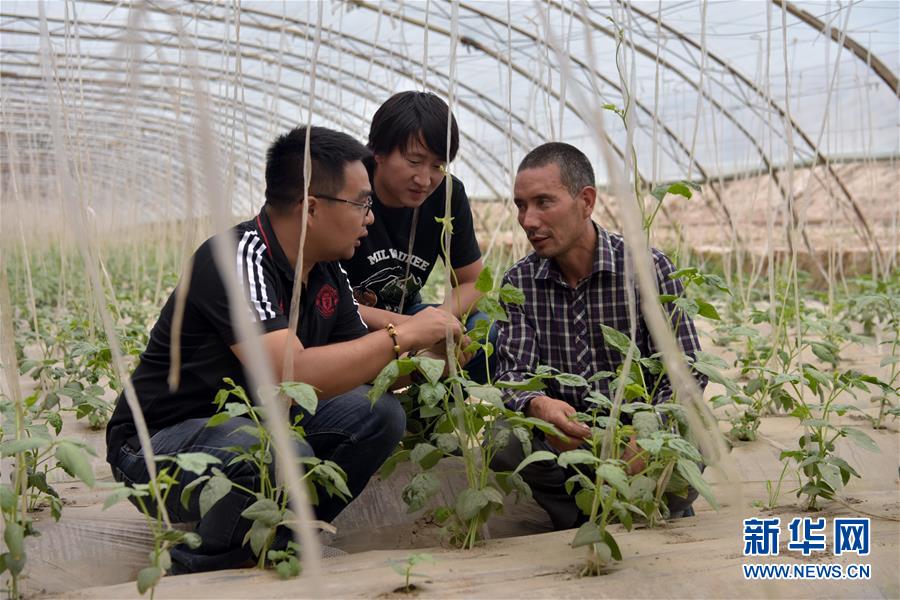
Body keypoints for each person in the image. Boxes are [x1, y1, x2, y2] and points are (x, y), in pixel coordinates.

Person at [106, 126, 462, 573]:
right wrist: (402, 335)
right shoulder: (237, 258)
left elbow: (361, 367)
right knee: (274, 451)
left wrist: (433, 363)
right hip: (154, 447)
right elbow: (291, 373)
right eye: (362, 203)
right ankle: (205, 567)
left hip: (250, 426)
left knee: (380, 414)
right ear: (311, 206)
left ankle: (289, 539)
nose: (370, 218)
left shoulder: (327, 270)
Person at [491, 142, 708, 530]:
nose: (528, 219)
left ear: (585, 201)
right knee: (504, 439)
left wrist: (649, 430)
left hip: (639, 433)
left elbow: (685, 370)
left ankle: (665, 503)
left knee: (695, 429)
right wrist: (539, 405)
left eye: (543, 202)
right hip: (568, 440)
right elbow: (512, 376)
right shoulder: (519, 283)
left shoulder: (646, 268)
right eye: (521, 205)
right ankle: (578, 519)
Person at [340, 91, 494, 383]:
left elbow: (474, 282)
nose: (425, 180)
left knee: (484, 329)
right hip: (347, 323)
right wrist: (413, 329)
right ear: (378, 151)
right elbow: (324, 302)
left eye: (437, 166)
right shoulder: (347, 188)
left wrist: (438, 322)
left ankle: (429, 417)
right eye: (414, 161)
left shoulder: (448, 194)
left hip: (408, 313)